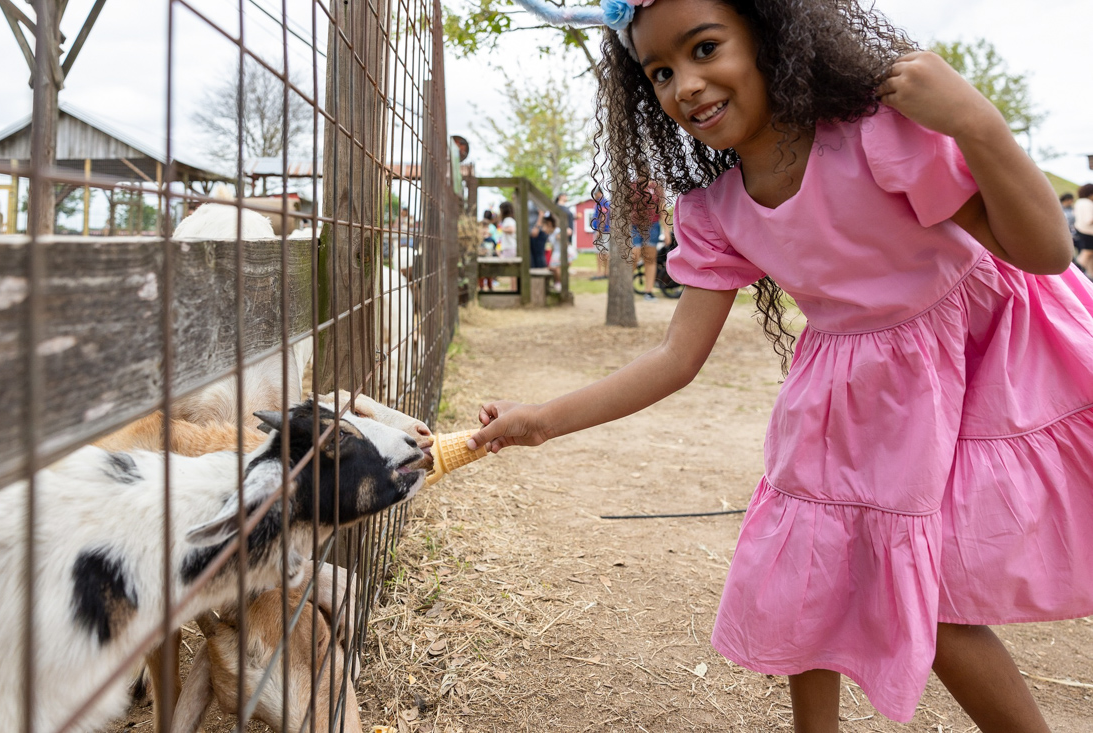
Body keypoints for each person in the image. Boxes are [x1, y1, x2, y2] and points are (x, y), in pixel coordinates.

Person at [467, 0, 1090, 730]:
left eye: (705, 48)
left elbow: (1046, 252)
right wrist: (541, 421)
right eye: (660, 72)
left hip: (976, 363)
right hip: (847, 392)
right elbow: (675, 357)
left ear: (769, 38)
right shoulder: (715, 210)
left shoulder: (873, 138)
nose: (686, 85)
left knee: (936, 592)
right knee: (808, 565)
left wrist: (975, 121)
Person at [630, 179, 670, 300]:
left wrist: (666, 231)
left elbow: (662, 208)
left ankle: (648, 292)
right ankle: (626, 285)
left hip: (652, 225)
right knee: (634, 255)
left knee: (650, 259)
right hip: (635, 225)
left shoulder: (657, 186)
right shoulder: (633, 185)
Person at [590, 187, 610, 280]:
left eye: (595, 194)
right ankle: (605, 272)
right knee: (604, 252)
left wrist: (599, 230)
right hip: (604, 231)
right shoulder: (602, 202)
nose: (594, 196)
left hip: (602, 231)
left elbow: (603, 215)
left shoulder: (602, 202)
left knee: (601, 253)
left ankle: (601, 272)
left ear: (599, 193)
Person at [1074, 185, 1093, 276]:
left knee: (1090, 254)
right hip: (1088, 232)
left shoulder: (1079, 202)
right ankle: (1076, 271)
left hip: (1081, 230)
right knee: (1087, 252)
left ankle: (1089, 275)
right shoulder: (1088, 203)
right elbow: (1089, 219)